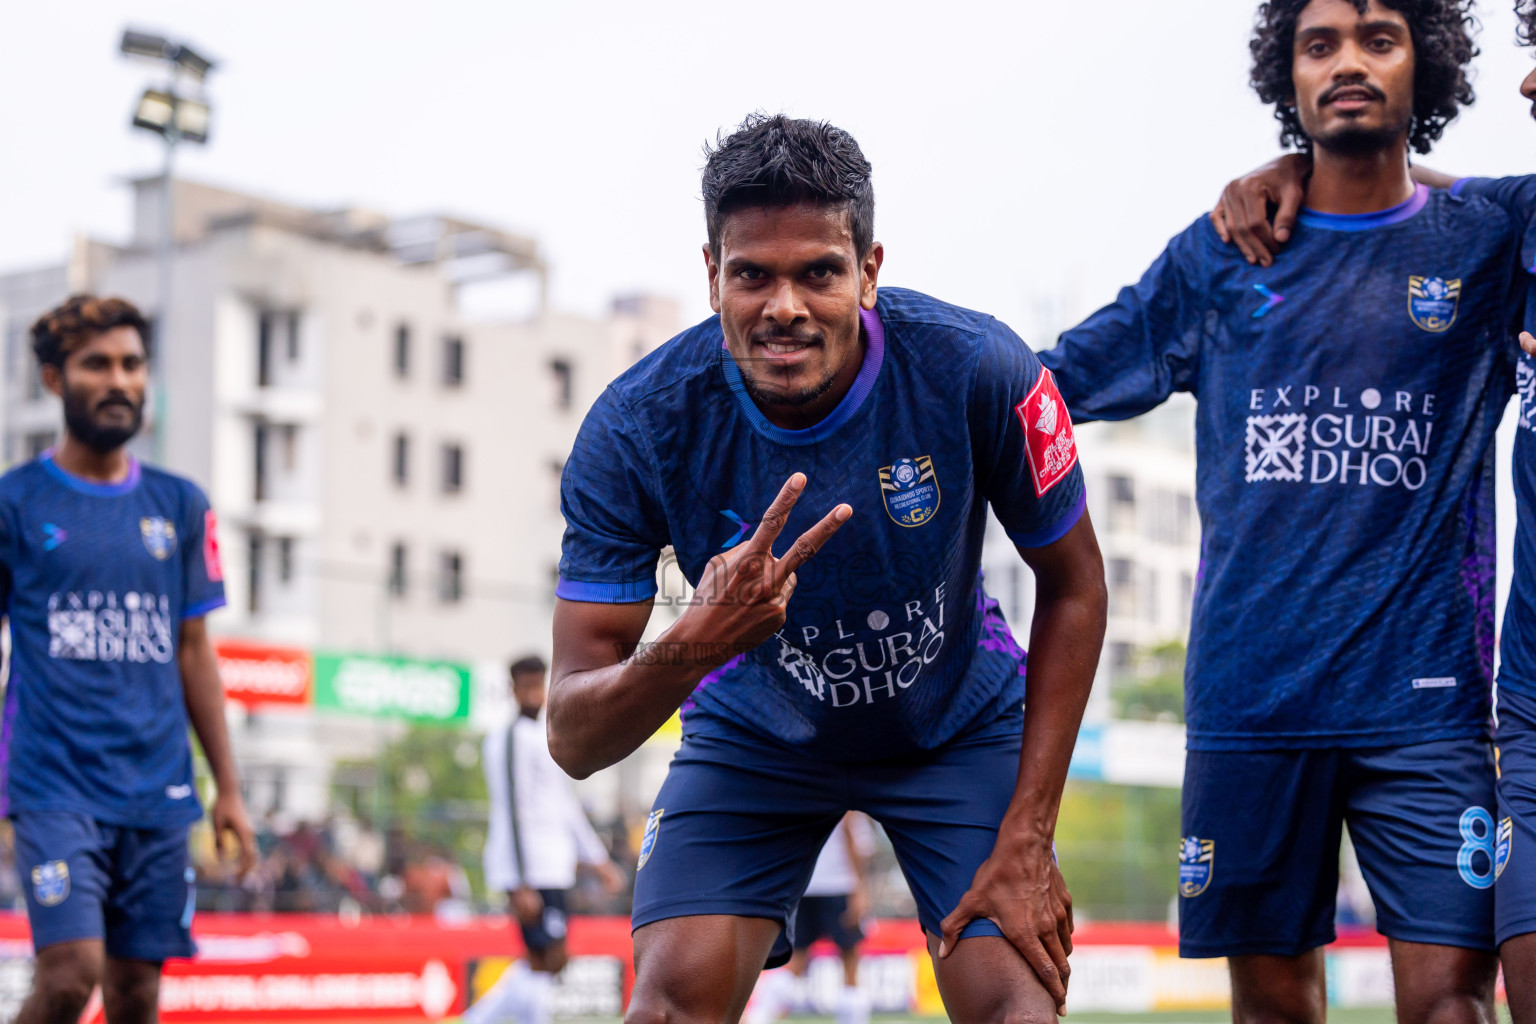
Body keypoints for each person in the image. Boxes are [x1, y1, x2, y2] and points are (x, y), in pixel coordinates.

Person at [547, 114, 1107, 1023]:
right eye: (752, 274)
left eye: (819, 272)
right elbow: (573, 739)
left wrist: (1030, 834)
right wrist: (699, 638)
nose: (784, 306)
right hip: (754, 734)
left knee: (1020, 1011)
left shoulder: (979, 367)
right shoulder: (635, 427)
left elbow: (1077, 585)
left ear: (870, 270)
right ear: (712, 275)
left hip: (954, 725)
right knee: (663, 1008)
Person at [1038, 2, 1521, 1022]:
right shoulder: (1221, 256)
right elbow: (1053, 383)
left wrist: (1300, 165)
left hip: (1427, 707)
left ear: (1424, 69)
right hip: (1251, 702)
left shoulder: (1486, 236)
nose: (1348, 62)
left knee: (1450, 1008)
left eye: (1378, 40)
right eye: (1320, 45)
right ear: (1287, 76)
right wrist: (899, 365)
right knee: (1272, 1012)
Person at [1212, 5, 1536, 1018]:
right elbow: (1420, 203)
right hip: (1523, 712)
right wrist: (1302, 169)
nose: (1529, 86)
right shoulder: (1515, 230)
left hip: (1433, 712)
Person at [0, 295, 256, 1024]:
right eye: (97, 364)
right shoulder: (15, 503)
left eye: (132, 364)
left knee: (138, 992)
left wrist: (228, 788)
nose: (119, 380)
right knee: (68, 974)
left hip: (157, 789)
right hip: (55, 784)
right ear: (54, 380)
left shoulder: (180, 505)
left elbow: (194, 652)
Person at [467, 655, 624, 1024]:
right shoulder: (505, 740)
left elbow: (564, 806)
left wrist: (598, 860)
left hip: (553, 866)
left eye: (539, 684)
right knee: (552, 959)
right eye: (527, 686)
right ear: (513, 690)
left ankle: (481, 1017)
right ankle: (484, 1017)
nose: (535, 693)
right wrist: (520, 881)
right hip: (529, 870)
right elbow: (512, 810)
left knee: (542, 962)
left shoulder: (547, 737)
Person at [746, 813, 874, 1024]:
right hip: (840, 885)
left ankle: (759, 1016)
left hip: (805, 886)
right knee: (850, 959)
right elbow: (852, 837)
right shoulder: (849, 798)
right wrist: (860, 887)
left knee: (796, 957)